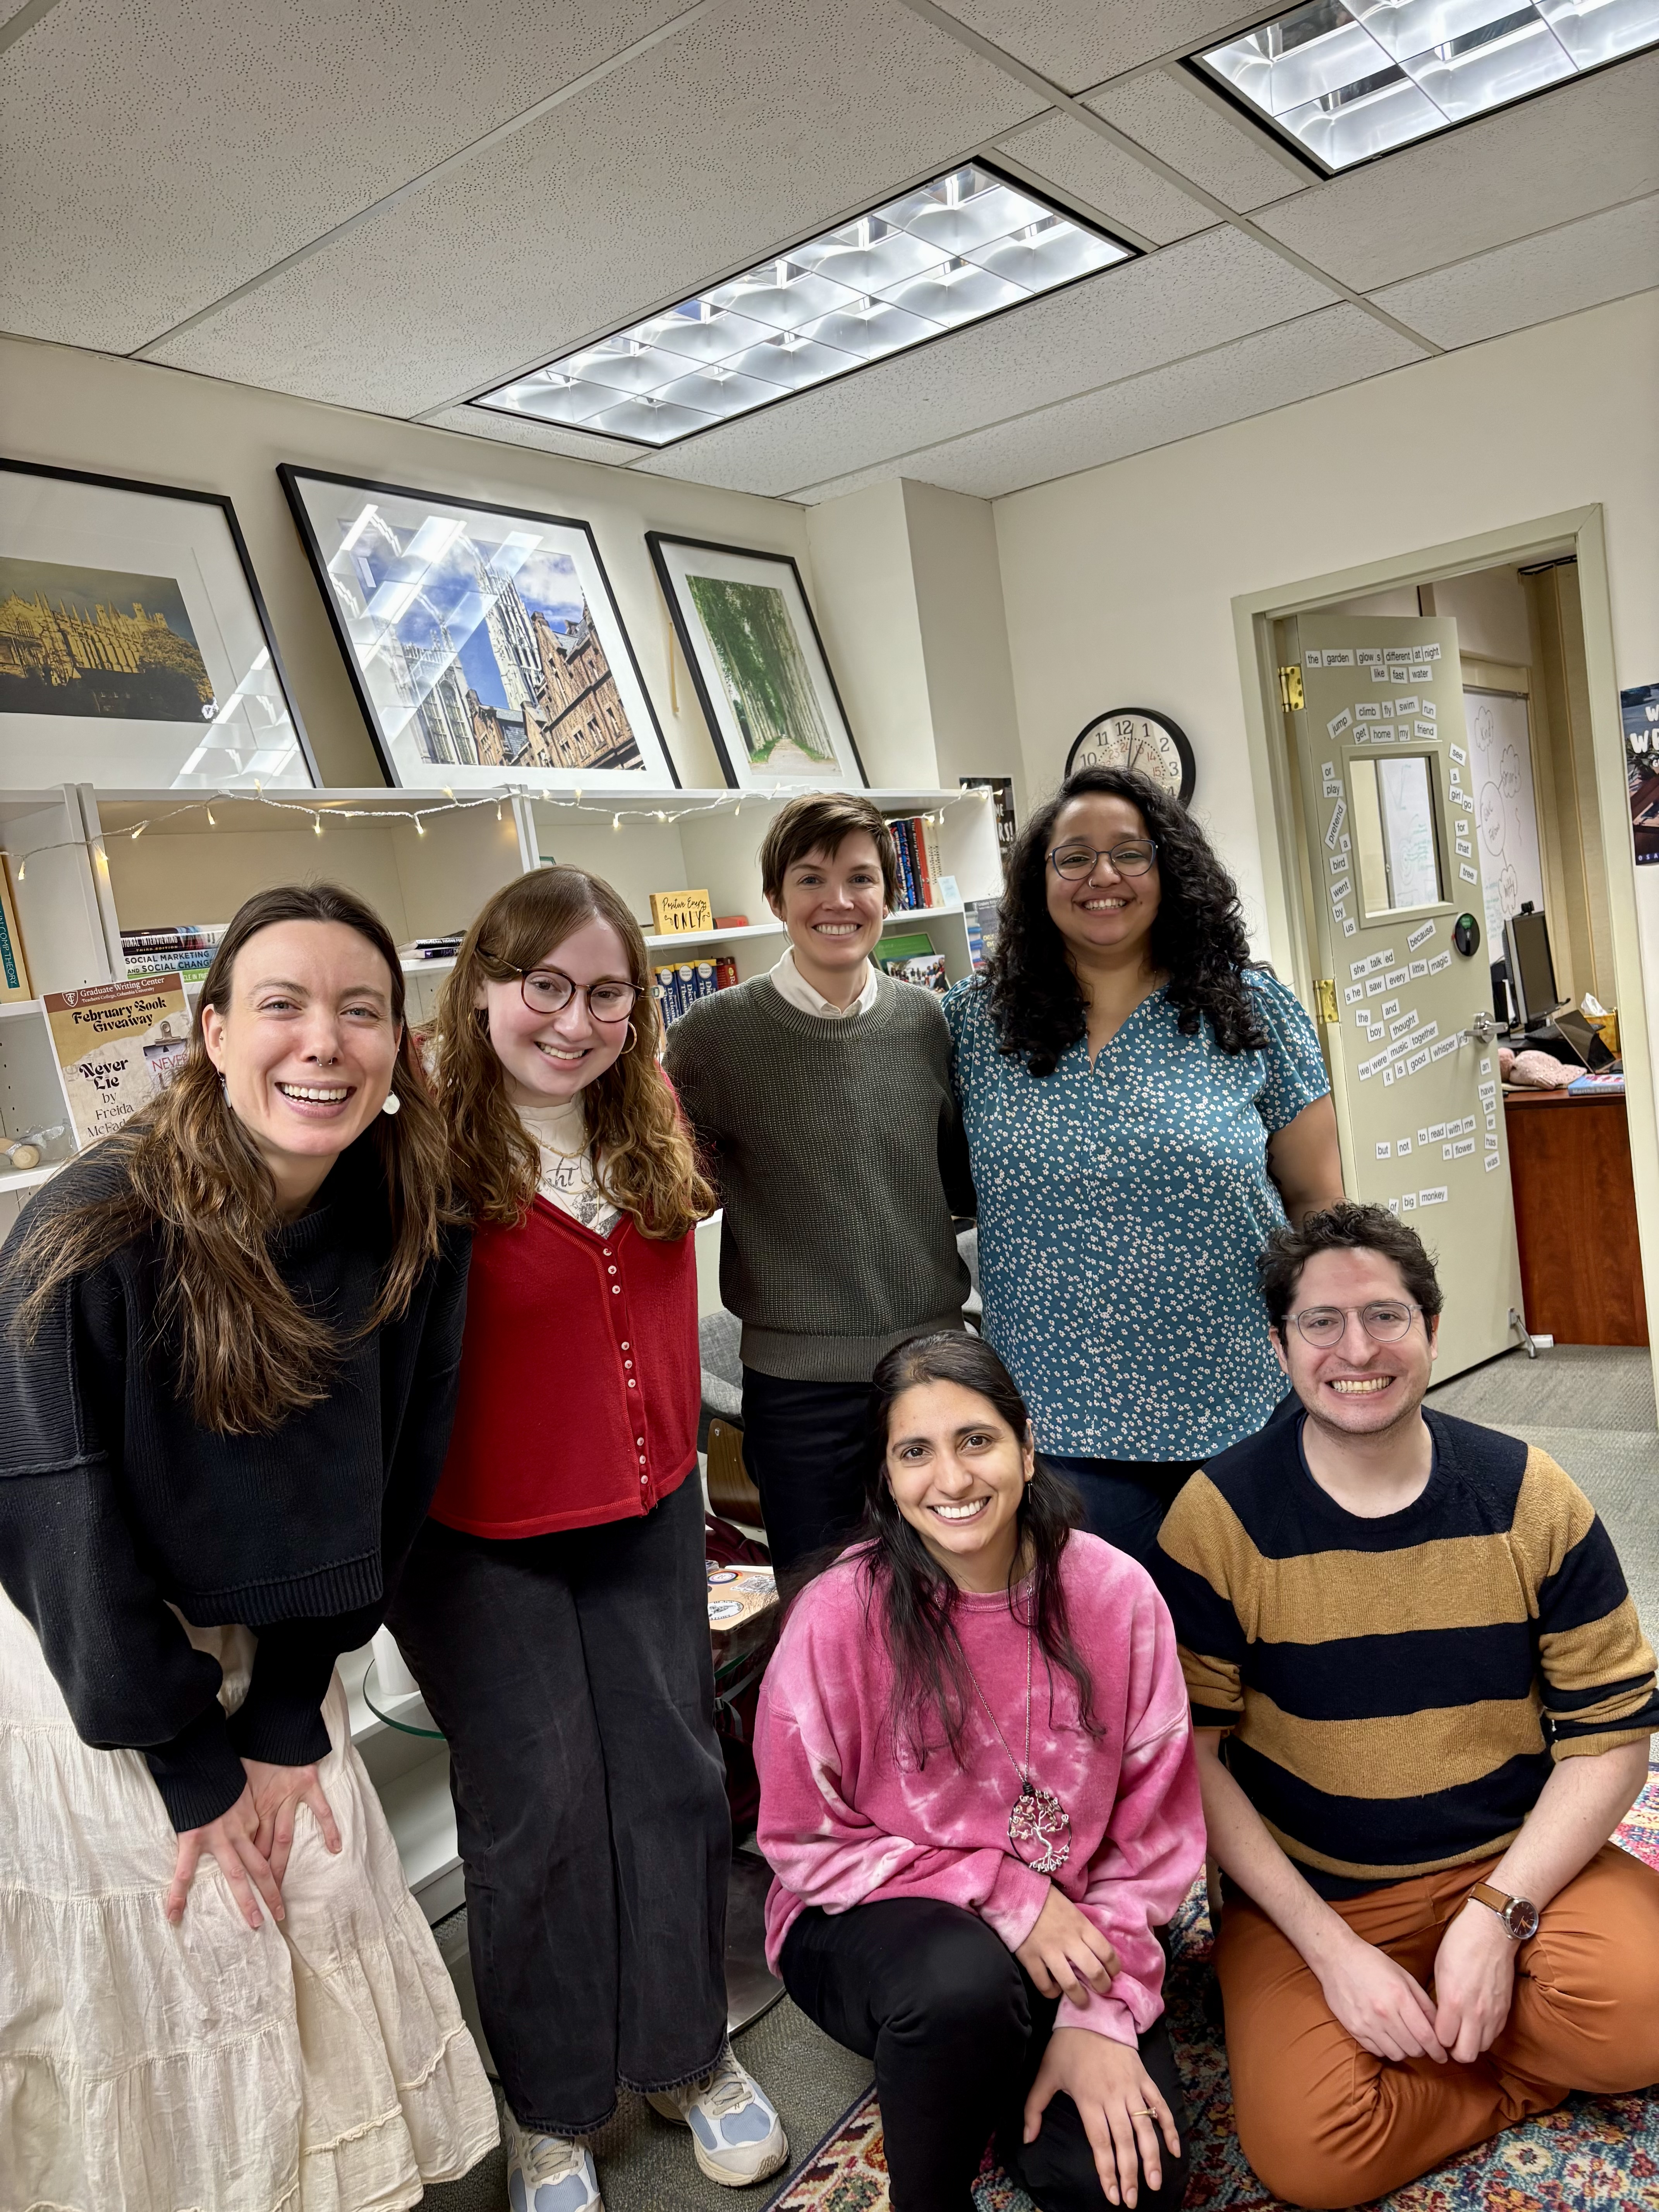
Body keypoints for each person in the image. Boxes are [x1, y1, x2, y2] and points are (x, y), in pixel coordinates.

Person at [0, 883, 497, 2212]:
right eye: (281, 1005)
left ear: (400, 1047)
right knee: (193, 1954)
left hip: (279, 1641)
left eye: (361, 1010)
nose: (322, 1041)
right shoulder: (86, 1232)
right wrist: (191, 1762)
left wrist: (284, 1713)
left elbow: (397, 1477)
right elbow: (56, 1511)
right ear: (212, 1031)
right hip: (99, 1663)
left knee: (319, 1908)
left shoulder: (414, 1218)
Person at [388, 866, 786, 2212]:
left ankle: (688, 2053)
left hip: (645, 1505)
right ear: (484, 987)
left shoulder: (647, 1112)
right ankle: (551, 2110)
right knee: (537, 1816)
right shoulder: (416, 1141)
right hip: (478, 1534)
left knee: (674, 1778)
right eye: (542, 986)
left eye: (606, 991)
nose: (573, 1018)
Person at [1154, 1202, 1659, 2210]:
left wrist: (1496, 1912)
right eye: (1321, 1323)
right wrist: (1332, 1954)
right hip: (1316, 1891)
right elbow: (1190, 1763)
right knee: (1313, 2157)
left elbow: (1611, 1737)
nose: (1357, 1350)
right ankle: (1515, 2066)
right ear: (1278, 1344)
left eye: (1385, 1316)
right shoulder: (1217, 1518)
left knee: (1645, 2020)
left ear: (1431, 1328)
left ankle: (1466, 2031)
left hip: (1512, 1867)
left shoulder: (1529, 1496)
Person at [756, 1331, 1204, 2212]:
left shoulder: (1116, 1595)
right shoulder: (838, 1617)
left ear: (1027, 1447)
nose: (952, 1481)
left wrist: (1096, 2019)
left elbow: (1152, 1839)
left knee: (1132, 2191)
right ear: (886, 1477)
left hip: (1068, 1935)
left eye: (976, 1441)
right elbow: (803, 1843)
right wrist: (1005, 1891)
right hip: (872, 1922)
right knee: (960, 1987)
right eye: (915, 1453)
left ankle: (991, 2066)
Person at [943, 765, 1344, 1565]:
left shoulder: (1249, 1010)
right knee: (1105, 1661)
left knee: (1253, 1651)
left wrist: (1332, 1360)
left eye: (1130, 853)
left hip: (1242, 1401)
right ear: (1037, 880)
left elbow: (1319, 1206)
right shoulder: (974, 1026)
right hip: (1059, 1420)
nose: (1103, 877)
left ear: (1171, 870)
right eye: (1074, 857)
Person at [665, 793, 974, 1571]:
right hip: (797, 1392)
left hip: (932, 1367)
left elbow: (955, 1185)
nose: (837, 902)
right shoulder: (711, 1038)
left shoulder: (928, 1024)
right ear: (775, 898)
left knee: (954, 1591)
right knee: (824, 1608)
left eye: (860, 879)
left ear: (887, 896)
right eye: (810, 880)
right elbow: (678, 1188)